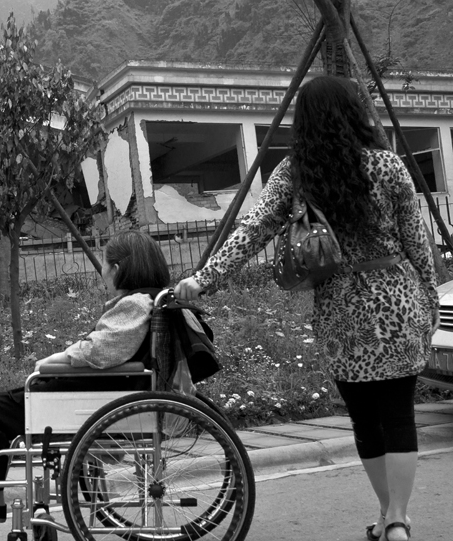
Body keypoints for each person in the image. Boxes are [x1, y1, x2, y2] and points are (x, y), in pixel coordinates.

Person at [175, 75, 439, 541]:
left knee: (364, 419)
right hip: (397, 301)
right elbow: (418, 243)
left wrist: (204, 278)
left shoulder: (297, 172)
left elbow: (252, 230)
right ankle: (397, 518)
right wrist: (430, 297)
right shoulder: (389, 166)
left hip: (341, 311)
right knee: (399, 415)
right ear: (355, 112)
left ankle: (386, 513)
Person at [0, 230, 170, 537]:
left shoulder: (136, 304)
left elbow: (103, 349)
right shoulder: (152, 301)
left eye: (105, 265)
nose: (103, 272)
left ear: (118, 269)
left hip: (91, 402)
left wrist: (58, 358)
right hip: (108, 395)